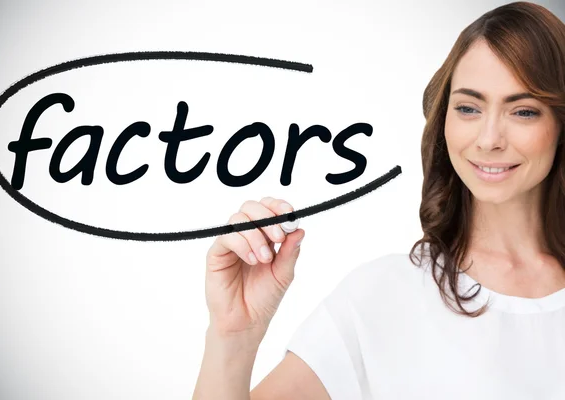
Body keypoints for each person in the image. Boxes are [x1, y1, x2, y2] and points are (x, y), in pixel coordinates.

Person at [192, 2, 565, 399]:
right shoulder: (384, 297)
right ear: (444, 120)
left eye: (523, 111)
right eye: (468, 108)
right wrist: (233, 336)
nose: (489, 139)